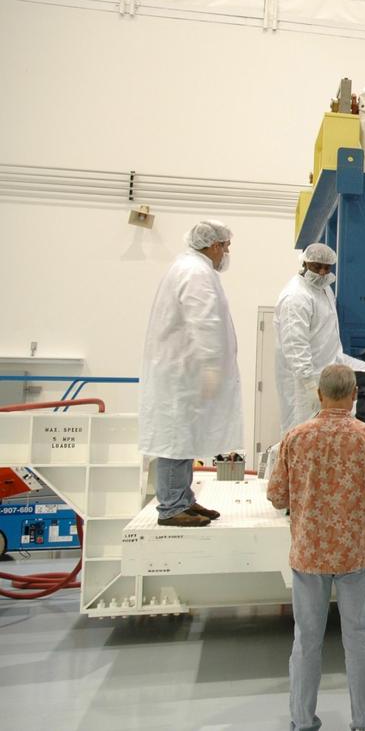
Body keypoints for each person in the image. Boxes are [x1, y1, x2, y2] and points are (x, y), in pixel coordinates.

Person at [267, 363, 365, 731]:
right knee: (359, 640)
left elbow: (276, 494)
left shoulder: (295, 438)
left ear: (319, 394)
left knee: (306, 642)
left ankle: (301, 721)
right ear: (354, 395)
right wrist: (364, 500)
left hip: (309, 553)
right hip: (355, 555)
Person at [138, 220, 240, 528]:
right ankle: (171, 507)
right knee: (176, 438)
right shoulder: (195, 272)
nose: (226, 253)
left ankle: (183, 499)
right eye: (225, 246)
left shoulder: (191, 268)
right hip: (183, 371)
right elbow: (204, 320)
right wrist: (211, 365)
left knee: (184, 436)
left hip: (182, 370)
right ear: (212, 245)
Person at [275, 243, 365, 435]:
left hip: (333, 363)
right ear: (304, 264)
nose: (322, 272)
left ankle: (358, 435)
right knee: (307, 432)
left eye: (327, 268)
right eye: (316, 266)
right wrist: (310, 385)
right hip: (307, 376)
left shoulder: (325, 289)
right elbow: (295, 347)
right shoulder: (296, 298)